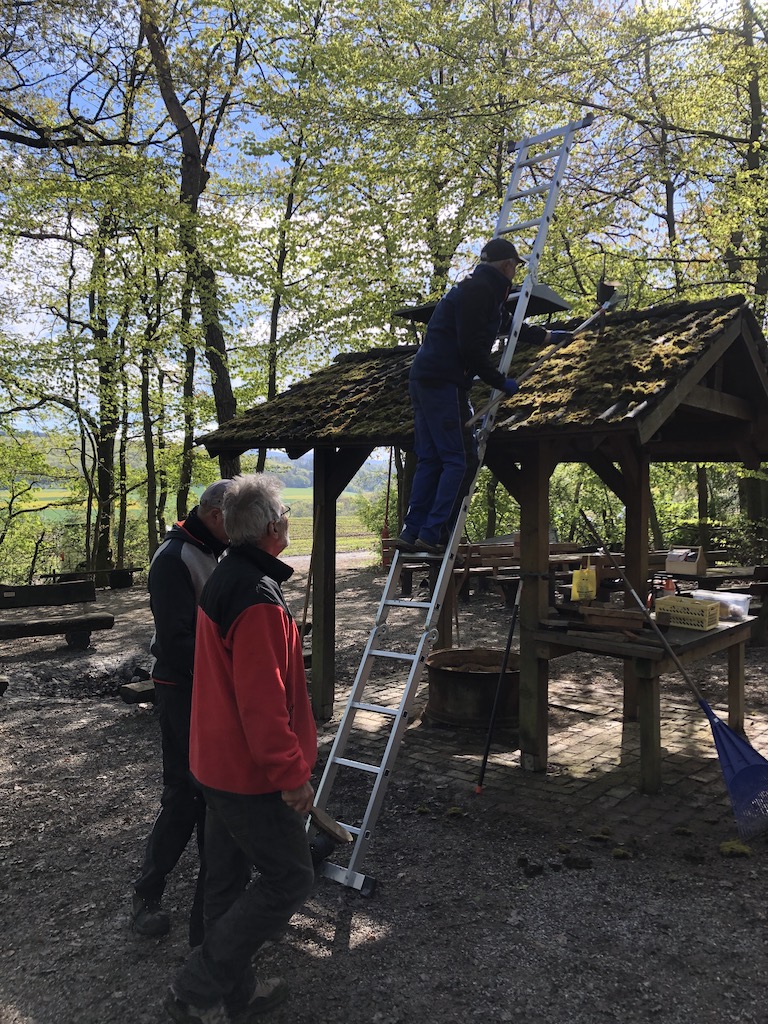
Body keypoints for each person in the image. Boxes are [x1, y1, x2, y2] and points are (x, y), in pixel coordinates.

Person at [164, 473, 317, 1024]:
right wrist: (291, 774)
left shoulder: (232, 573)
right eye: (288, 517)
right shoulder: (256, 599)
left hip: (214, 760)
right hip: (244, 773)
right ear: (273, 527)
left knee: (226, 883)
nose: (290, 524)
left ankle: (238, 997)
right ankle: (193, 989)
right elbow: (262, 705)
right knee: (291, 878)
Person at [395, 237, 571, 555]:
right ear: (506, 266)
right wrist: (500, 381)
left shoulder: (477, 290)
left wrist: (547, 336)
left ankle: (412, 531)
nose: (515, 275)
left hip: (425, 379)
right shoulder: (481, 293)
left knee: (432, 457)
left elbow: (508, 324)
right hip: (443, 383)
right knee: (459, 459)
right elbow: (472, 351)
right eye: (514, 269)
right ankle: (434, 531)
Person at [131, 479, 232, 945]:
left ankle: (211, 906)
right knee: (183, 795)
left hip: (206, 686)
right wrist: (230, 664)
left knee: (211, 797)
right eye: (233, 523)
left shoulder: (209, 548)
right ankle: (147, 893)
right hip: (181, 688)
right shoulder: (174, 558)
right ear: (214, 516)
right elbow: (176, 641)